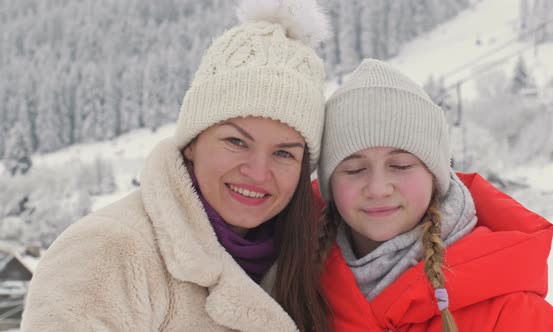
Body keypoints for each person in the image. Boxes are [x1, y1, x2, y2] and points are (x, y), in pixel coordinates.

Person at [21, 0, 332, 331]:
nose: (257, 172)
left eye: (284, 154)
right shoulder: (109, 251)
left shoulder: (306, 263)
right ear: (193, 144)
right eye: (236, 142)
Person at [316, 59, 553, 332]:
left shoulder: (514, 316)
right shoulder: (295, 288)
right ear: (328, 183)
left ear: (436, 177)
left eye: (400, 165)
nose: (378, 188)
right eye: (354, 169)